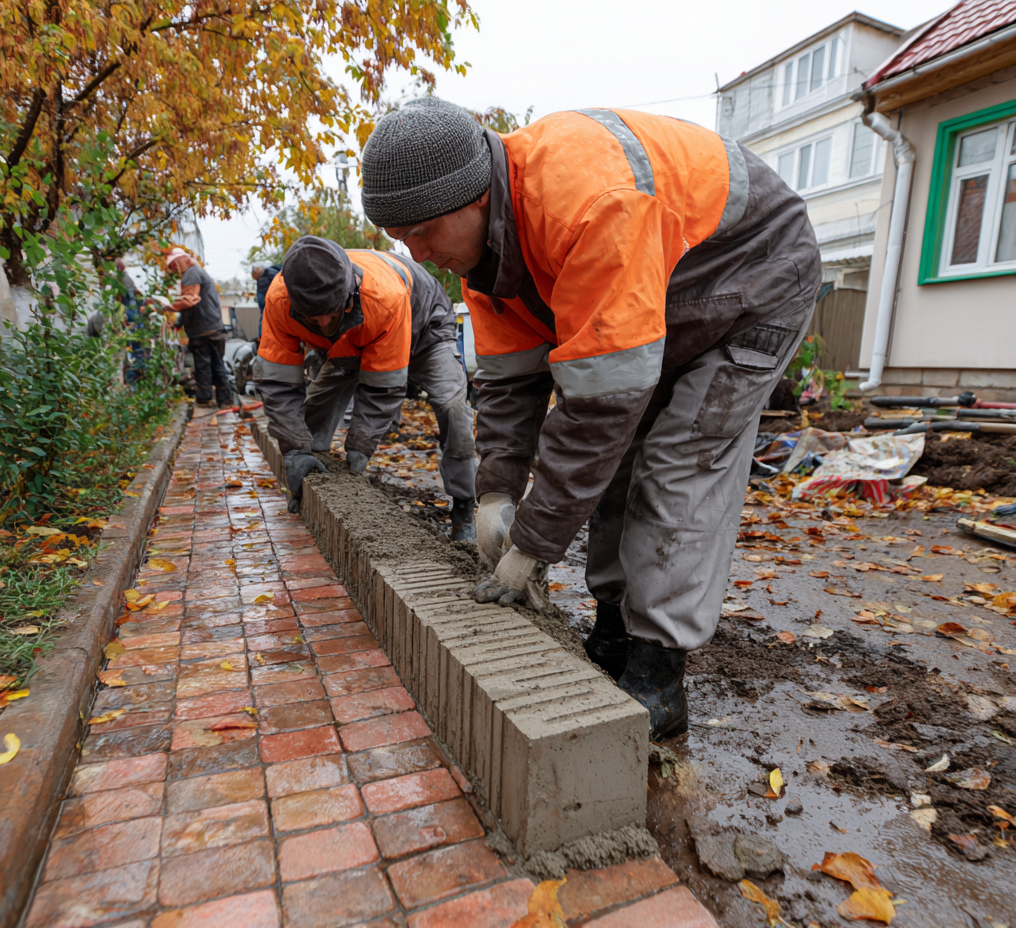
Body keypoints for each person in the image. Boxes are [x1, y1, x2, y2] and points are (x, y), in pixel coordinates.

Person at [359, 97, 820, 739]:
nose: (417, 253)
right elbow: (511, 388)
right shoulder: (486, 267)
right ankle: (612, 622)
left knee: (677, 463)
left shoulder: (584, 198)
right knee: (617, 464)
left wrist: (532, 548)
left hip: (753, 283)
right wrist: (497, 492)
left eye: (422, 232)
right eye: (399, 240)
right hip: (669, 296)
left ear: (474, 198)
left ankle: (658, 668)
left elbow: (598, 410)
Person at [255, 235, 477, 540]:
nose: (321, 322)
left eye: (329, 313)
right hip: (351, 338)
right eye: (312, 317)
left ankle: (464, 506)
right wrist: (294, 451)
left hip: (425, 328)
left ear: (348, 291)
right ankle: (308, 475)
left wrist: (359, 449)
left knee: (452, 406)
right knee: (312, 414)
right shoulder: (279, 299)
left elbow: (381, 389)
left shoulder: (382, 296)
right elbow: (277, 384)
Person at [167, 247, 232, 407]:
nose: (174, 270)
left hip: (203, 330)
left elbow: (189, 300)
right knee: (216, 364)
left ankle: (204, 398)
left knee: (204, 365)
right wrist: (178, 323)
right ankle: (225, 400)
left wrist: (167, 306)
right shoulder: (196, 272)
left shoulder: (191, 273)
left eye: (174, 265)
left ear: (181, 260)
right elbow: (191, 306)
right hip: (212, 327)